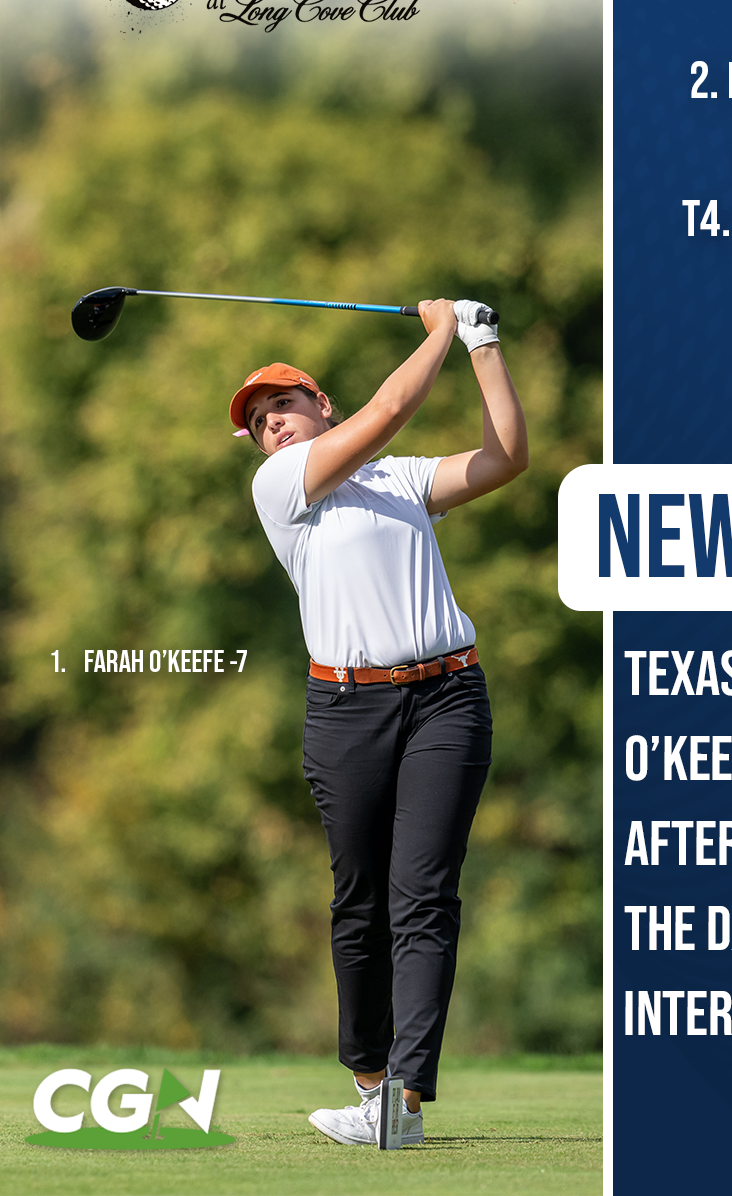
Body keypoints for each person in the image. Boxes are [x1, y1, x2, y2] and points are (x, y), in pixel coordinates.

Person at [229, 298, 527, 1146]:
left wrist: (482, 342)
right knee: (359, 904)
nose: (270, 425)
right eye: (256, 421)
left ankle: (404, 1102)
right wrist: (436, 326)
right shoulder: (284, 487)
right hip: (346, 709)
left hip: (449, 699)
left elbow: (508, 458)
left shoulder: (398, 481)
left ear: (320, 402)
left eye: (282, 404)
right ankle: (368, 1075)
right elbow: (391, 409)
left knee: (424, 897)